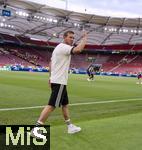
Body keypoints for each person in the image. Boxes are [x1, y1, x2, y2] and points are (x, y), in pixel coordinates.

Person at [32, 30, 87, 136]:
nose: (72, 39)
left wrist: (50, 78)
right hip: (59, 81)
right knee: (51, 105)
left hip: (57, 80)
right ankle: (36, 129)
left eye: (73, 38)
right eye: (70, 37)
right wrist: (85, 38)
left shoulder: (57, 48)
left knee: (65, 104)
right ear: (64, 37)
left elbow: (51, 63)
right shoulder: (64, 47)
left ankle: (70, 126)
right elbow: (78, 49)